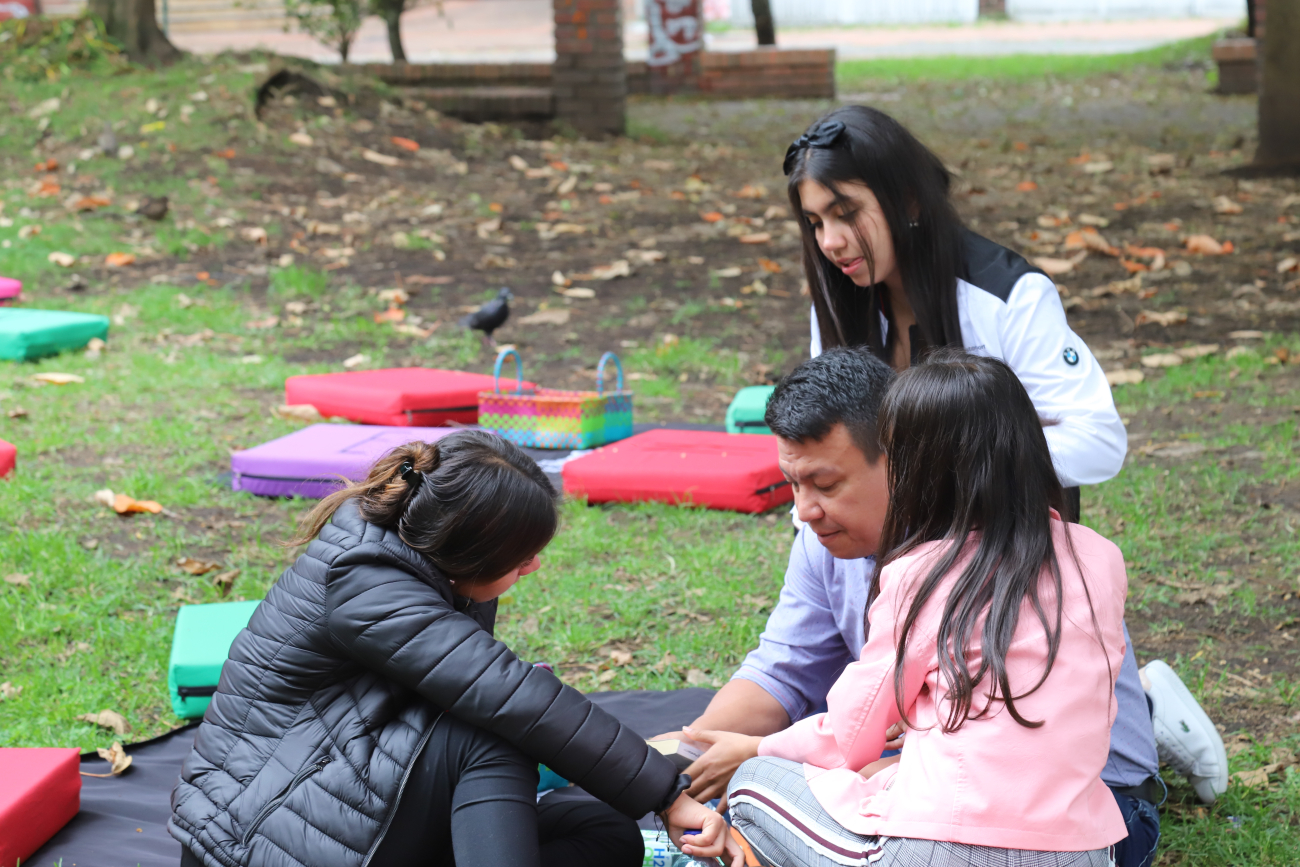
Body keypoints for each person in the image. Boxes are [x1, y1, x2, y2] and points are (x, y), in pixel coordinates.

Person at [670, 348, 1215, 867]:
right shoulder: (1096, 554)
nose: (805, 510)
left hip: (1101, 802)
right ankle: (1150, 702)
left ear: (902, 460)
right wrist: (688, 758)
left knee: (760, 783)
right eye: (792, 484)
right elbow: (780, 668)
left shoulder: (920, 572)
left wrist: (756, 752)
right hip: (1083, 842)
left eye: (825, 483)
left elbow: (850, 733)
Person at [169, 430, 740, 867]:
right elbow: (510, 697)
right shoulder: (364, 580)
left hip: (340, 794)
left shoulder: (423, 556)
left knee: (606, 836)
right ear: (468, 550)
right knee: (494, 732)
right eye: (521, 557)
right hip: (257, 836)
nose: (532, 566)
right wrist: (668, 796)